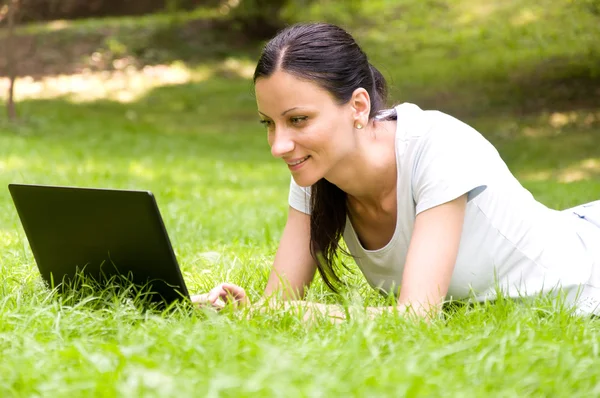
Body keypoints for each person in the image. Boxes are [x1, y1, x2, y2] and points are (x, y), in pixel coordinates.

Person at [193, 22, 600, 319]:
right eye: (269, 123)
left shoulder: (438, 146)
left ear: (357, 106)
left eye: (297, 120)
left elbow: (416, 319)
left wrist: (305, 313)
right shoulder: (315, 170)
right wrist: (223, 306)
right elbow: (279, 305)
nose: (279, 145)